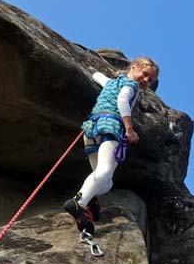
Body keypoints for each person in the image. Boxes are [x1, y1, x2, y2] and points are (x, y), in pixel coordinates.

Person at [64, 56, 159, 235]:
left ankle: (90, 198)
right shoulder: (131, 86)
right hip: (111, 125)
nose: (146, 80)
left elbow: (97, 76)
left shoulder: (112, 83)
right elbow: (122, 101)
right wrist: (129, 130)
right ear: (133, 67)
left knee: (104, 181)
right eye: (145, 74)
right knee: (105, 171)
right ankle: (80, 202)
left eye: (150, 79)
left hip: (91, 129)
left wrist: (95, 69)